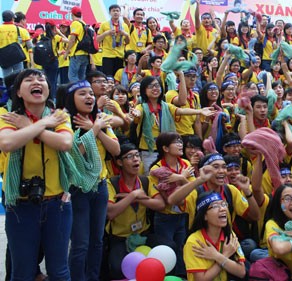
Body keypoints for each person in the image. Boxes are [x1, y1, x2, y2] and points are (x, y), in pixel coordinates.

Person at [0, 69, 73, 280]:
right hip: (20, 206)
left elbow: (65, 143)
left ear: (49, 89)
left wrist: (31, 127)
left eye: (41, 78)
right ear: (19, 93)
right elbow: (7, 142)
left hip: (57, 204)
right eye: (29, 79)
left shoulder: (59, 115)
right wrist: (42, 125)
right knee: (22, 272)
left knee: (59, 271)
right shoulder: (8, 116)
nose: (37, 81)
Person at [57, 80, 120, 281]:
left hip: (99, 187)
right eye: (82, 94)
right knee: (80, 243)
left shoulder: (99, 119)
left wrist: (98, 128)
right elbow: (75, 154)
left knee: (97, 241)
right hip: (77, 190)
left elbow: (116, 150)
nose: (89, 97)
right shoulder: (64, 122)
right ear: (71, 98)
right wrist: (93, 131)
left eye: (91, 94)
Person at [105, 143, 167, 280]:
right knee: (116, 267)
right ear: (119, 162)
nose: (136, 159)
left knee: (167, 250)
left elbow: (160, 204)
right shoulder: (111, 184)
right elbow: (111, 212)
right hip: (120, 238)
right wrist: (133, 195)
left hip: (143, 233)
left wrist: (135, 198)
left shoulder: (145, 181)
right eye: (130, 156)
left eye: (137, 155)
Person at [149, 132, 196, 276]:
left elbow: (193, 189)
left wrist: (180, 179)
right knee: (167, 250)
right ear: (165, 148)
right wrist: (183, 178)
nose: (181, 145)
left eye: (180, 141)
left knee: (182, 249)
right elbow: (164, 200)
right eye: (176, 142)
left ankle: (181, 277)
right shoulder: (156, 169)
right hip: (165, 218)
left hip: (184, 214)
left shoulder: (186, 164)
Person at [183, 191, 246, 281]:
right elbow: (201, 280)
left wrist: (217, 256)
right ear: (204, 216)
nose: (222, 209)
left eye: (223, 204)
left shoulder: (229, 234)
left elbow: (241, 272)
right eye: (215, 206)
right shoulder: (194, 241)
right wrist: (225, 255)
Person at [97, 4, 130, 77]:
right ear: (110, 13)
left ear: (120, 13)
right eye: (113, 11)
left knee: (118, 77)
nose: (115, 12)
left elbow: (127, 42)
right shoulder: (104, 25)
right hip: (107, 55)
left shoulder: (124, 26)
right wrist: (106, 33)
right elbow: (97, 39)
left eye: (117, 11)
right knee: (108, 77)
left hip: (120, 55)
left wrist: (125, 34)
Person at [0, 10, 32, 76]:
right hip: (17, 57)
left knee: (6, 78)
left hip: (3, 57)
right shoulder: (22, 30)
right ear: (12, 18)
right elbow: (30, 46)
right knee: (19, 77)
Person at [65, 6, 90, 81]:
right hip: (85, 54)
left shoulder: (75, 23)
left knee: (72, 76)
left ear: (72, 14)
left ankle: (77, 92)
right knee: (81, 77)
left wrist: (66, 52)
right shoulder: (84, 23)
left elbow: (72, 40)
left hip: (76, 53)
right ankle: (83, 91)